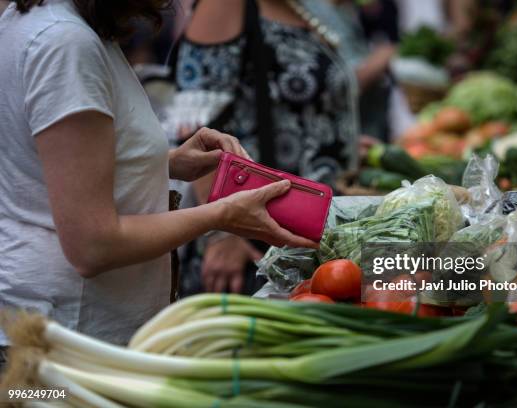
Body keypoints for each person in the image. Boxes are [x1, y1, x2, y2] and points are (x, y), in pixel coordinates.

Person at [0, 0, 317, 348]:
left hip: (67, 327)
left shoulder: (40, 23)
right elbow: (93, 245)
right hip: (72, 337)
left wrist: (165, 161)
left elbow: (54, 164)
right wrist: (221, 216)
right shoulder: (65, 43)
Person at [173, 0, 360, 295]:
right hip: (253, 245)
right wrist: (221, 234)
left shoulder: (301, 6)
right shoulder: (224, 4)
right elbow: (194, 124)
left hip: (307, 235)